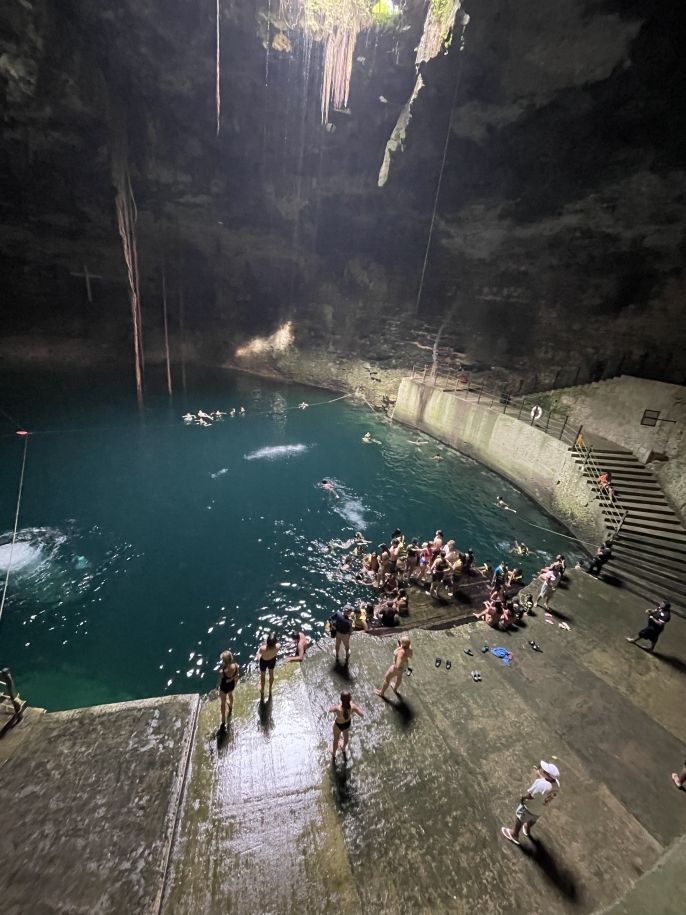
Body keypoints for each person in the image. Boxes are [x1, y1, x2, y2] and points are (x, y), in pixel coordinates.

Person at [501, 760, 560, 846]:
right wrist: (538, 772)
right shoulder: (556, 784)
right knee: (533, 819)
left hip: (530, 807)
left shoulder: (540, 784)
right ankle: (527, 829)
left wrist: (523, 798)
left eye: (545, 770)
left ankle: (514, 835)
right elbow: (545, 782)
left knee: (520, 818)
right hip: (541, 808)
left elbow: (531, 796)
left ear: (547, 774)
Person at [329, 690, 364, 757]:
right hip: (347, 724)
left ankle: (333, 753)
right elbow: (361, 714)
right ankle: (343, 749)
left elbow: (330, 710)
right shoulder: (353, 706)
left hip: (338, 725)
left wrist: (335, 706)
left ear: (341, 699)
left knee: (336, 739)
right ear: (350, 698)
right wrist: (355, 706)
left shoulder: (338, 708)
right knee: (346, 737)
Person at [217, 650, 239, 730]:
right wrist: (232, 679)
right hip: (231, 685)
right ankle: (231, 706)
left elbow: (221, 680)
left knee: (223, 702)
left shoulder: (222, 671)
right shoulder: (236, 666)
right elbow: (236, 676)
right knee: (230, 694)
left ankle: (223, 719)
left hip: (224, 687)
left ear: (223, 661)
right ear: (231, 658)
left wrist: (218, 687)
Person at [256, 632, 280, 698]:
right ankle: (270, 688)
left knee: (262, 676)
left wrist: (258, 652)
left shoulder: (263, 648)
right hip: (272, 660)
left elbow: (258, 654)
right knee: (271, 673)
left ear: (267, 641)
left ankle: (262, 690)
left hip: (264, 662)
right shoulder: (278, 646)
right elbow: (276, 646)